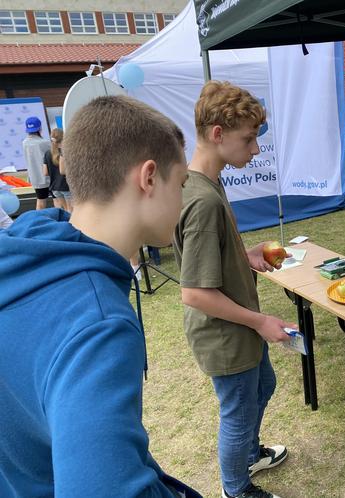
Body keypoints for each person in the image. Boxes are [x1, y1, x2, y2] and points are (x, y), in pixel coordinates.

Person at [0, 96, 201, 497]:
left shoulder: (21, 258)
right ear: (148, 177)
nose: (182, 202)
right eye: (180, 184)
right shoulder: (97, 324)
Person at [173, 81, 295, 498]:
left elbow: (211, 254)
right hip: (224, 331)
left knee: (263, 387)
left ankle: (246, 455)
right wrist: (261, 321)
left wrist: (247, 252)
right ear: (217, 134)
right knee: (238, 412)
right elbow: (194, 292)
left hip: (235, 324)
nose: (255, 150)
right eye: (249, 139)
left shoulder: (207, 183)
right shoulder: (203, 200)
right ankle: (236, 488)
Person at [21, 116, 51, 210]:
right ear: (40, 128)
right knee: (58, 199)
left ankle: (39, 221)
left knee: (40, 200)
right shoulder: (44, 143)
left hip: (35, 177)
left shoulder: (24, 142)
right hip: (48, 176)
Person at [43, 128, 72, 212]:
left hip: (55, 187)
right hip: (65, 185)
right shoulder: (65, 152)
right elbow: (63, 171)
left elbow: (45, 172)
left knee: (65, 210)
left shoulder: (47, 153)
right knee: (71, 211)